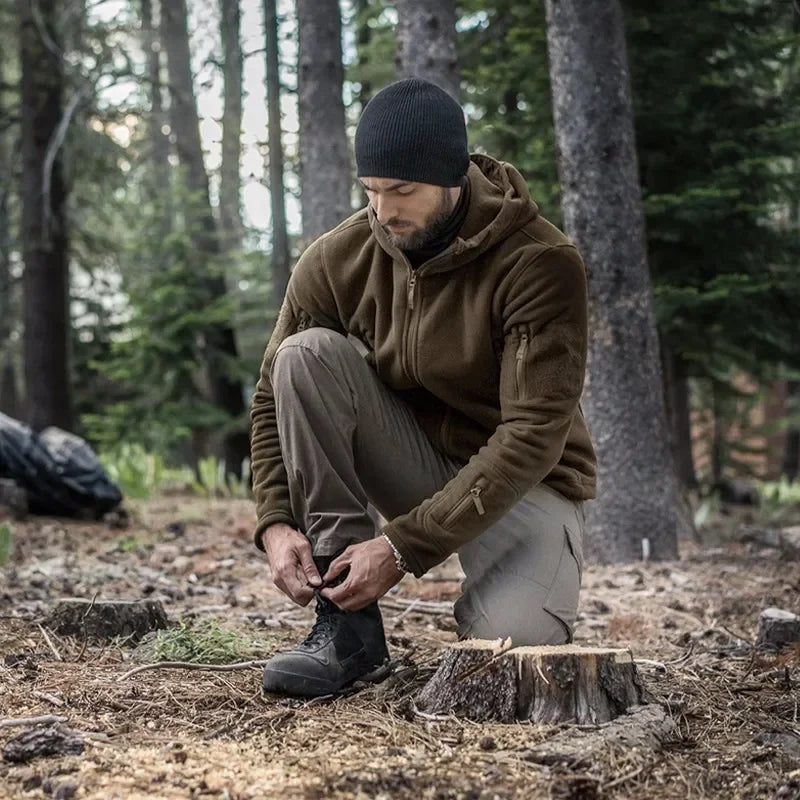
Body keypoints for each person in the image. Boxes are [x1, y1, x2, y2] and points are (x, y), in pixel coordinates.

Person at [250, 77, 596, 698]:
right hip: (412, 463)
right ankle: (347, 629)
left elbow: (532, 435)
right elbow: (270, 397)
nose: (384, 210)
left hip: (524, 491)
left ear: (452, 176)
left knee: (510, 661)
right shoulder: (336, 260)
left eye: (402, 190)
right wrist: (275, 522)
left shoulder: (540, 263)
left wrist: (402, 547)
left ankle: (508, 597)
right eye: (372, 190)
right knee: (304, 358)